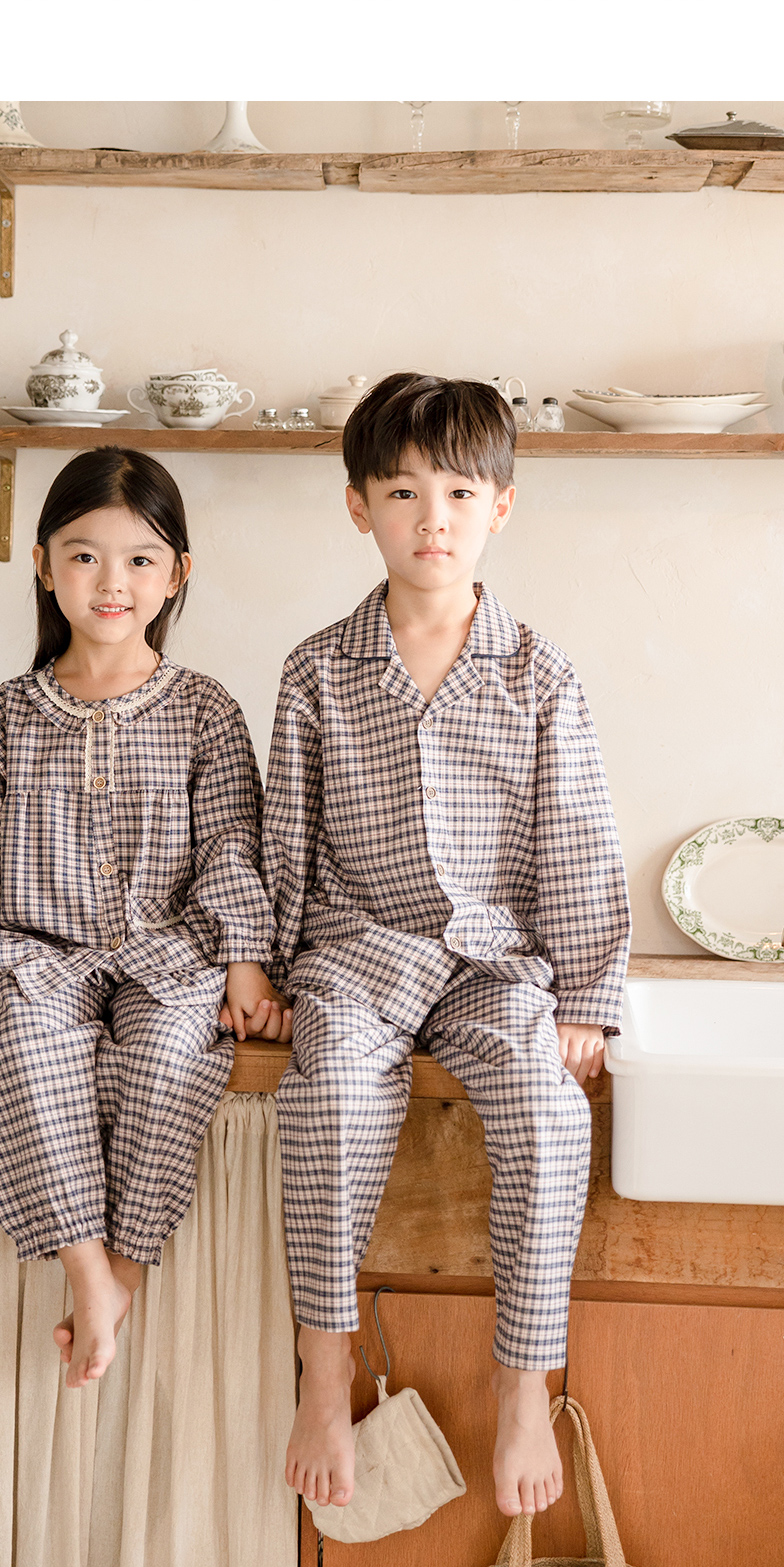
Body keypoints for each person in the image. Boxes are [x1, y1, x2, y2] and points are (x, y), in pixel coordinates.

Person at [263, 373, 631, 1520]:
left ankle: (525, 1382)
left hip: (493, 965)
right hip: (356, 956)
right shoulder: (317, 670)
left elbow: (577, 840)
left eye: (460, 492)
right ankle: (322, 1369)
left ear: (500, 507)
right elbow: (285, 836)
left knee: (547, 1109)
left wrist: (586, 997)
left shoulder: (539, 673)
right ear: (358, 507)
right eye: (402, 492)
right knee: (327, 1099)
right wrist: (267, 971)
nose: (433, 517)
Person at [0, 447, 291, 1388]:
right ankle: (86, 1270)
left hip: (171, 956)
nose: (112, 582)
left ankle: (125, 1274)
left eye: (140, 559)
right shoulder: (9, 715)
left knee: (169, 1059)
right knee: (24, 1049)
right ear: (43, 565)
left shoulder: (206, 710)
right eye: (84, 556)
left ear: (176, 574)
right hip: (41, 954)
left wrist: (244, 960)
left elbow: (233, 844)